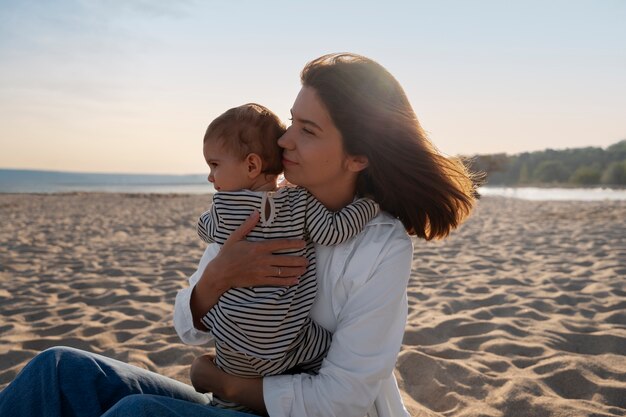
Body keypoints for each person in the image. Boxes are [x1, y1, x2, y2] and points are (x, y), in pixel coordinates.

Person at [0, 52, 476, 417]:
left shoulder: (380, 245)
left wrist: (226, 385)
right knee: (59, 369)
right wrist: (217, 278)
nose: (285, 139)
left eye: (307, 130)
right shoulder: (263, 205)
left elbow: (343, 398)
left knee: (137, 413)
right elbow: (188, 328)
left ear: (358, 157)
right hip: (238, 396)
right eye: (291, 120)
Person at [193, 103, 378, 412]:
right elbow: (335, 231)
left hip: (230, 344)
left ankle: (228, 401)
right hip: (285, 344)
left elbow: (204, 229)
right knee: (325, 347)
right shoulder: (299, 201)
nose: (211, 176)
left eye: (214, 165)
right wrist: (369, 205)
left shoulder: (223, 208)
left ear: (252, 166)